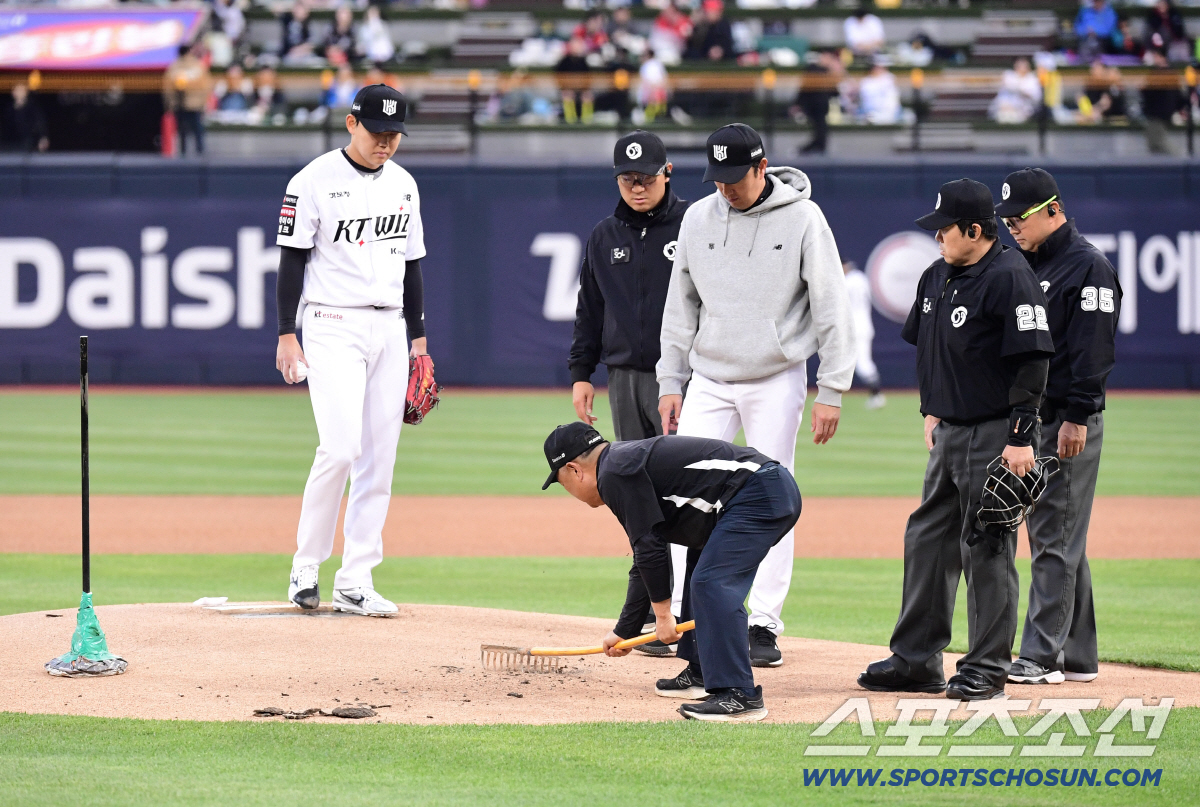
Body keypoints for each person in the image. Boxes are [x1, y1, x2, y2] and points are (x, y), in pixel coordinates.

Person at [657, 123, 855, 668]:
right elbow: (681, 306)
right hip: (710, 378)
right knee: (679, 496)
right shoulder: (698, 217)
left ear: (762, 167)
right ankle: (679, 616)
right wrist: (671, 380)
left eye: (735, 178)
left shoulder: (803, 218)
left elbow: (831, 304)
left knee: (772, 497)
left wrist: (832, 387)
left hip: (775, 376)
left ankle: (764, 622)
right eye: (717, 178)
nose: (726, 189)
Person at [856, 179, 1055, 701]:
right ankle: (916, 660)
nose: (937, 236)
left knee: (986, 544)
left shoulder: (1011, 277)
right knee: (927, 539)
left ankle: (987, 667)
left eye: (944, 228)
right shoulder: (936, 275)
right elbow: (928, 348)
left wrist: (1020, 436)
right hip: (948, 431)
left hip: (995, 433)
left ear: (974, 229)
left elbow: (1033, 361)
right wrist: (930, 409)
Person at [275, 85, 428, 617]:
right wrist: (285, 332)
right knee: (339, 448)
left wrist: (419, 337)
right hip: (331, 322)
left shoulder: (405, 185)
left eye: (394, 135)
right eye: (377, 132)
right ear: (350, 124)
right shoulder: (312, 181)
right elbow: (292, 260)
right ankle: (305, 565)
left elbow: (412, 266)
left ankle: (355, 578)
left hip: (388, 328)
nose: (386, 143)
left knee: (379, 459)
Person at [542, 422, 801, 722]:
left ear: (575, 470)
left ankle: (739, 694)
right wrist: (625, 630)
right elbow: (645, 555)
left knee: (712, 583)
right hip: (757, 491)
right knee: (699, 571)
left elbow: (649, 549)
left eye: (562, 482)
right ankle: (703, 672)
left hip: (760, 493)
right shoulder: (619, 464)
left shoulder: (614, 474)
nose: (569, 491)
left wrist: (663, 617)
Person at [995, 168, 1121, 686]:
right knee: (1063, 536)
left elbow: (1094, 351)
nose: (1011, 228)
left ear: (1053, 208)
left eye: (1019, 217)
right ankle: (1080, 653)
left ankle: (1040, 655)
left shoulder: (1088, 266)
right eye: (1005, 220)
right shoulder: (1019, 263)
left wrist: (1077, 414)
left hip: (1064, 420)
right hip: (1031, 419)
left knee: (1053, 537)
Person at [842, 262, 885, 409]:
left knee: (862, 364)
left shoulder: (846, 281)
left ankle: (877, 395)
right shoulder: (862, 278)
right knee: (860, 362)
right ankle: (876, 395)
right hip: (865, 324)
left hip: (853, 327)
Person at [163, 42, 212, 156]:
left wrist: (170, 104)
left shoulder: (174, 68)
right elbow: (206, 86)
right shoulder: (198, 66)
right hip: (196, 104)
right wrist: (204, 101)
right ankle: (200, 151)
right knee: (197, 129)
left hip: (179, 104)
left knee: (182, 130)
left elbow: (168, 89)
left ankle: (183, 152)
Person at [795, 50, 843, 154]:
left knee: (821, 130)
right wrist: (798, 104)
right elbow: (803, 89)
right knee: (820, 130)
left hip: (822, 108)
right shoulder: (813, 69)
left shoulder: (829, 72)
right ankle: (811, 148)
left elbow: (835, 93)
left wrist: (836, 73)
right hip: (812, 106)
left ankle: (815, 148)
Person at [1141, 50, 1184, 154]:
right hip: (1159, 115)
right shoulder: (1169, 73)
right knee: (1154, 145)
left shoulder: (1160, 74)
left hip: (1158, 115)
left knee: (1159, 144)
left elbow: (1149, 93)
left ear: (1162, 57)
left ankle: (1179, 158)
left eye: (1156, 56)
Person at [989, 57, 1042, 124]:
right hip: (1006, 107)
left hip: (1023, 109)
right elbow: (1002, 91)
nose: (1021, 68)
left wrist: (1022, 92)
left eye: (1024, 66)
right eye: (1019, 65)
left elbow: (1036, 97)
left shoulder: (1032, 79)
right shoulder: (1009, 75)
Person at [1, 83, 48, 152]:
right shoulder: (8, 109)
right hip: (10, 143)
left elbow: (40, 124)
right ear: (13, 92)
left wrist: (43, 138)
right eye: (17, 90)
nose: (19, 93)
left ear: (26, 92)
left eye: (21, 90)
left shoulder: (32, 108)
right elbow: (4, 126)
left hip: (27, 144)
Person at [556, 37, 593, 124]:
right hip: (567, 89)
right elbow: (559, 76)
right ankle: (570, 120)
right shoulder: (564, 61)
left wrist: (584, 88)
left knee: (587, 96)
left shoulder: (583, 62)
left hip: (581, 88)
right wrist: (566, 87)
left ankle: (587, 121)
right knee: (567, 95)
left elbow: (587, 77)